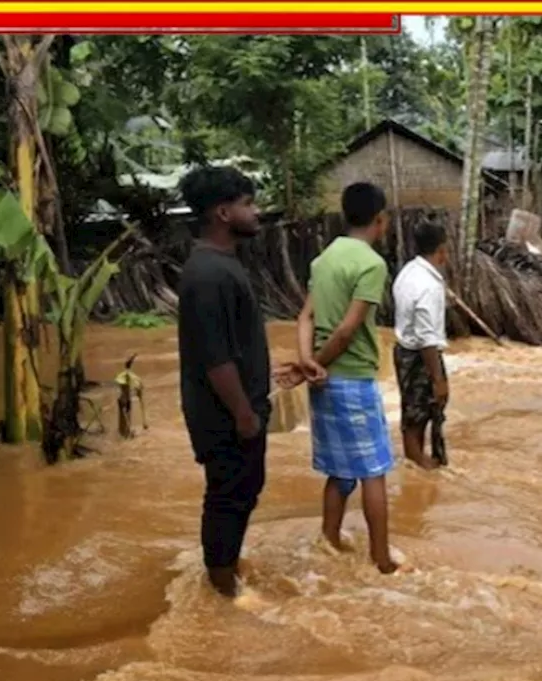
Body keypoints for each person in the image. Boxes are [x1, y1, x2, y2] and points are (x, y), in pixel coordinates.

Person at [176, 166, 282, 598]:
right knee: (227, 496)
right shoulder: (209, 275)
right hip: (225, 415)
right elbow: (215, 359)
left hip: (237, 409)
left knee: (242, 491)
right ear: (223, 212)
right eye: (247, 204)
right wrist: (243, 413)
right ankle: (222, 589)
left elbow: (233, 347)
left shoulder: (219, 267)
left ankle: (227, 571)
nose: (255, 212)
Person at [296, 182, 398, 573]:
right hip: (352, 379)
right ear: (380, 219)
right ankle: (382, 559)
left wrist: (308, 364)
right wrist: (316, 363)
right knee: (374, 471)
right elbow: (346, 330)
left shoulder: (323, 260)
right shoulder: (371, 264)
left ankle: (330, 541)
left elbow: (304, 317)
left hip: (323, 384)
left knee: (339, 471)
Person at [392, 222, 450, 470]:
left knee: (415, 411)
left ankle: (416, 460)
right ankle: (419, 462)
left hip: (404, 350)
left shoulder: (408, 271)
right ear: (441, 250)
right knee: (422, 411)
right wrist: (438, 379)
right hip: (420, 355)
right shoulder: (428, 285)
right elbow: (427, 338)